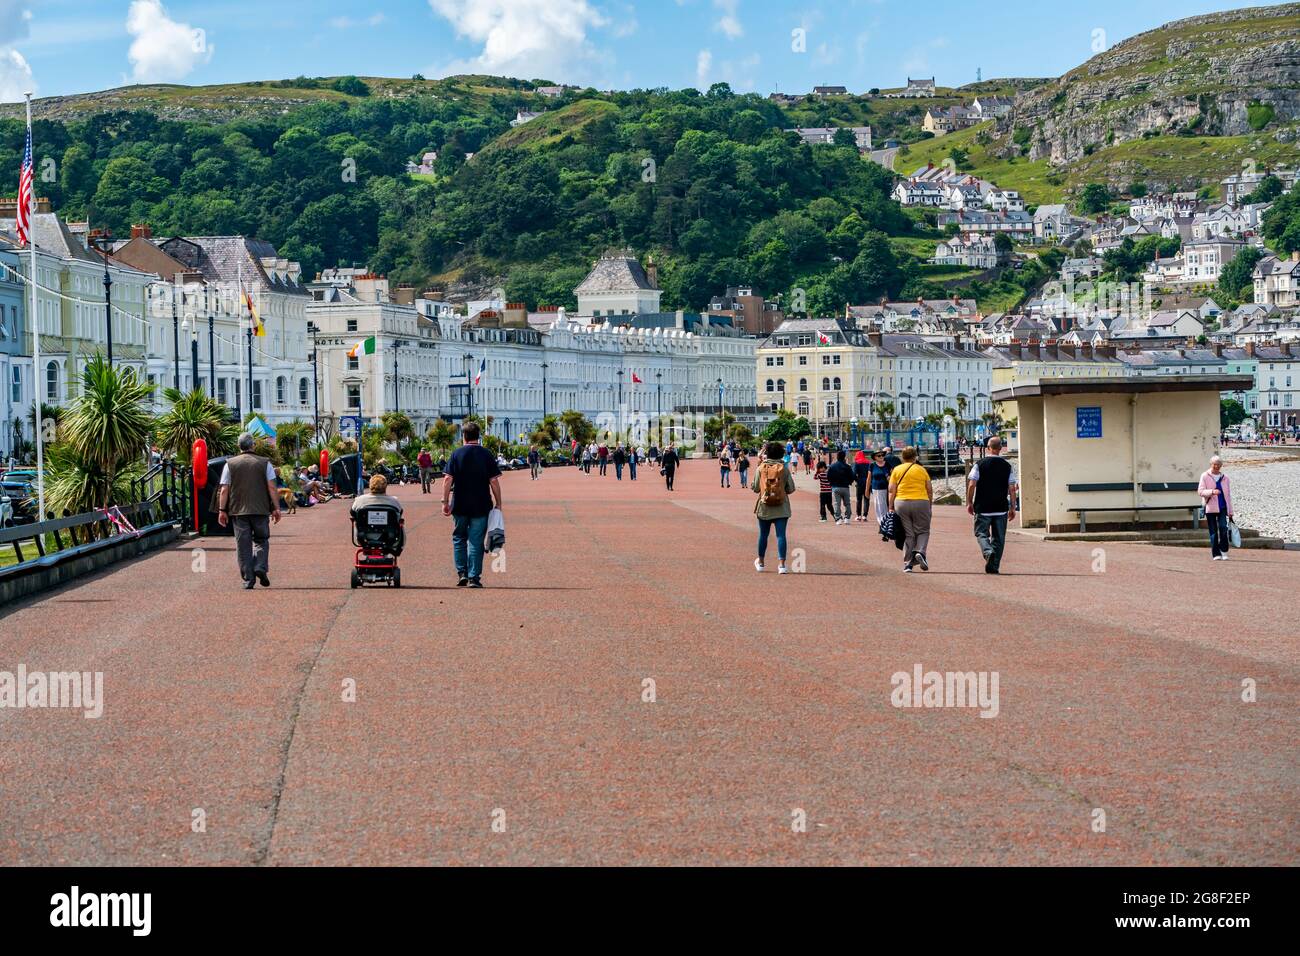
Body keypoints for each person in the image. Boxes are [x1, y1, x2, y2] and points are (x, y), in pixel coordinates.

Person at [216, 432, 283, 589]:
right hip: (260, 509)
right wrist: (276, 508)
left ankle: (248, 579)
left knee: (243, 545)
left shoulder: (230, 464)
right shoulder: (265, 463)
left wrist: (221, 510)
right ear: (253, 445)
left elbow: (224, 489)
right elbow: (272, 487)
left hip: (238, 511)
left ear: (239, 446)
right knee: (261, 540)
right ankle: (260, 566)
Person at [441, 421, 503, 588]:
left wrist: (445, 501)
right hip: (481, 504)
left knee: (459, 537)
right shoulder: (486, 454)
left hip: (460, 504)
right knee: (476, 540)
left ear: (464, 436)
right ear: (478, 436)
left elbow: (447, 479)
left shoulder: (456, 454)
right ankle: (473, 577)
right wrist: (499, 503)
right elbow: (494, 482)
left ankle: (462, 572)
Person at [965, 436, 1017, 574]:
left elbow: (971, 484)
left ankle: (987, 551)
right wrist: (1013, 507)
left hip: (983, 507)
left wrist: (969, 502)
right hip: (1000, 507)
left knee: (981, 533)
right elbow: (1012, 488)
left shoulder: (980, 464)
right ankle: (993, 566)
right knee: (999, 539)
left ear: (988, 448)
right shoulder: (1007, 466)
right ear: (1000, 448)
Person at [752, 440, 797, 574]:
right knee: (781, 536)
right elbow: (791, 488)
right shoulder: (784, 469)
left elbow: (755, 488)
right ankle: (782, 565)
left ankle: (761, 562)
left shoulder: (760, 468)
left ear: (767, 453)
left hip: (764, 506)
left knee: (763, 535)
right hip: (781, 507)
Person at [888, 446, 933, 572]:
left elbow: (892, 490)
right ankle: (920, 552)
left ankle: (908, 563)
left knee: (908, 533)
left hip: (901, 502)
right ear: (915, 457)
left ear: (902, 457)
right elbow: (929, 489)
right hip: (921, 501)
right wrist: (929, 505)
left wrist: (890, 506)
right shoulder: (922, 470)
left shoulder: (896, 470)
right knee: (923, 530)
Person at [1198, 454, 1235, 560]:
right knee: (1213, 531)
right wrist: (1212, 492)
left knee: (1223, 529)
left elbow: (1228, 496)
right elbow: (1200, 491)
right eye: (1215, 464)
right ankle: (1216, 553)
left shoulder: (1225, 478)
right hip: (1210, 508)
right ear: (1211, 464)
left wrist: (1230, 510)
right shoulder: (1204, 476)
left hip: (1223, 507)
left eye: (1219, 464)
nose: (1217, 466)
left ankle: (1224, 551)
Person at [827, 449, 854, 525]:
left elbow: (828, 476)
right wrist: (849, 482)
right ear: (844, 457)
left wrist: (831, 483)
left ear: (837, 457)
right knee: (847, 503)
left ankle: (838, 518)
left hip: (835, 487)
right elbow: (852, 476)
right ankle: (847, 518)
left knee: (836, 503)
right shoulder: (847, 467)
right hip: (845, 487)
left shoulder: (832, 466)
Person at [869, 450, 892, 540]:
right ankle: (883, 527)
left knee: (886, 509)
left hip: (887, 490)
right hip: (876, 490)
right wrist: (867, 490)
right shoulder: (872, 465)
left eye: (882, 455)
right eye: (879, 456)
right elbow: (869, 478)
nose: (881, 457)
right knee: (879, 509)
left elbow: (893, 476)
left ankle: (885, 527)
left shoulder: (887, 464)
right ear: (875, 457)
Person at [852, 449, 871, 522]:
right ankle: (865, 516)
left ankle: (859, 515)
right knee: (867, 499)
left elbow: (854, 474)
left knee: (859, 499)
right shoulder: (868, 463)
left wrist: (857, 480)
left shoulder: (857, 463)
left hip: (860, 483)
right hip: (867, 482)